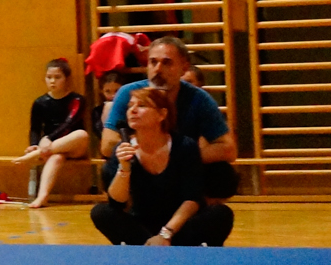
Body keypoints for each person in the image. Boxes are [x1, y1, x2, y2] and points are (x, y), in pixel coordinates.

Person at [90, 85, 234, 246]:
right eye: (130, 106)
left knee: (221, 214)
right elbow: (118, 201)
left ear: (162, 114)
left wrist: (166, 234)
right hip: (143, 225)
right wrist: (124, 168)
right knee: (101, 212)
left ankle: (156, 247)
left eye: (142, 105)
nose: (133, 110)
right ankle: (152, 246)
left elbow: (192, 199)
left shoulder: (184, 146)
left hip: (178, 225)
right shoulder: (123, 148)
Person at [97, 36, 236, 192]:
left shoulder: (199, 98)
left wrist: (175, 157)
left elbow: (228, 149)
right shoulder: (128, 92)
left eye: (167, 63)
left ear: (184, 68)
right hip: (141, 167)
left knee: (223, 174)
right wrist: (148, 155)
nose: (158, 69)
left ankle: (194, 204)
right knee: (109, 170)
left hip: (181, 169)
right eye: (153, 62)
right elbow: (107, 145)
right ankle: (134, 206)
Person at [13, 57, 89, 208]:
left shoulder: (77, 100)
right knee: (56, 158)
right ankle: (42, 197)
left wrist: (48, 139)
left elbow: (69, 123)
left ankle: (36, 154)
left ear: (67, 79)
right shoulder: (40, 102)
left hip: (74, 146)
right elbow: (35, 128)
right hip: (50, 148)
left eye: (57, 77)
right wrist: (34, 144)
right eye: (49, 77)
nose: (52, 81)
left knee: (81, 134)